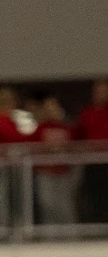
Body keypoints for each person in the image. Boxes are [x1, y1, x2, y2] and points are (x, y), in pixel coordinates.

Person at [31, 95, 75, 226]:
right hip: (45, 172)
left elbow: (76, 144)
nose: (51, 110)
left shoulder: (66, 127)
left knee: (64, 203)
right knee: (47, 203)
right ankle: (50, 232)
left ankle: (69, 231)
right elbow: (32, 146)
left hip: (63, 172)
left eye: (54, 106)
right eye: (48, 107)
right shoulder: (41, 127)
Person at [76, 78, 108, 223]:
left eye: (104, 91)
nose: (101, 94)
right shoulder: (87, 112)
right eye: (98, 91)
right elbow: (80, 135)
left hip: (106, 161)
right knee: (93, 195)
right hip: (92, 163)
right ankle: (95, 224)